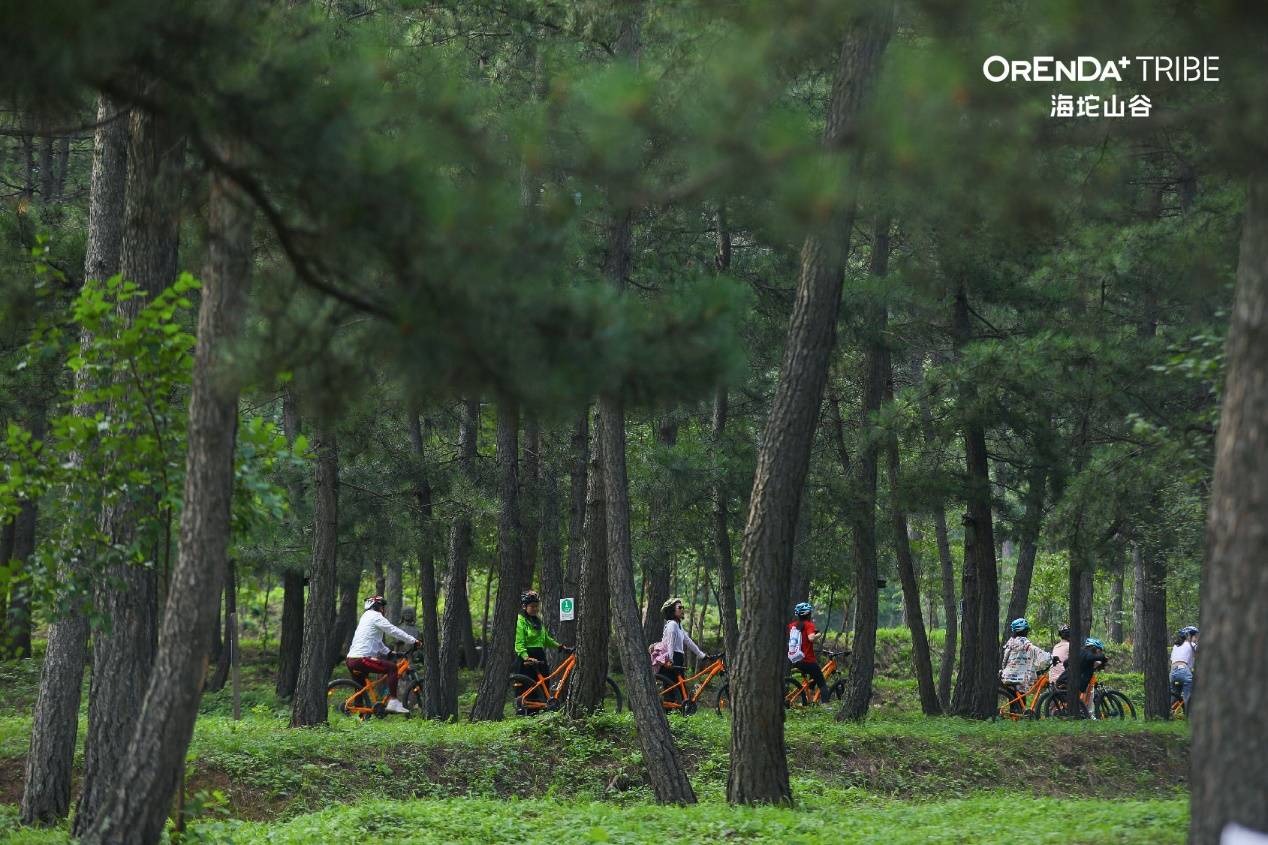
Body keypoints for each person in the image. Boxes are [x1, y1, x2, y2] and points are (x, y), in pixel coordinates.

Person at [345, 595, 418, 715]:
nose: (383, 609)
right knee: (392, 668)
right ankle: (393, 702)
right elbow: (393, 630)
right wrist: (413, 640)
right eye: (382, 606)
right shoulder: (375, 616)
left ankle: (360, 715)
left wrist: (389, 653)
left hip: (351, 659)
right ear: (377, 606)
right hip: (362, 659)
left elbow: (375, 641)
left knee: (360, 687)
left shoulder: (365, 617)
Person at [515, 590, 562, 701]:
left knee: (543, 682)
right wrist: (526, 657)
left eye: (537, 606)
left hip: (540, 655)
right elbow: (519, 642)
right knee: (528, 684)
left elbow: (545, 639)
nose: (535, 609)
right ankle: (526, 711)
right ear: (524, 606)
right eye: (532, 606)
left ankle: (540, 709)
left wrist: (559, 646)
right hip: (527, 657)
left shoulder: (537, 621)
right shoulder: (520, 621)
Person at [657, 597, 706, 703]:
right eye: (679, 607)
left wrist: (701, 655)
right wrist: (670, 659)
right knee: (672, 689)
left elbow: (688, 641)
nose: (682, 609)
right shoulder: (672, 625)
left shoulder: (679, 626)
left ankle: (682, 712)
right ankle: (670, 713)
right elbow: (670, 643)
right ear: (672, 610)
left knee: (680, 688)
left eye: (682, 607)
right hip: (673, 657)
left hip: (678, 657)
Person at [788, 602, 830, 703]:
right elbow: (811, 638)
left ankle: (809, 698)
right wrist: (818, 634)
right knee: (822, 684)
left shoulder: (792, 626)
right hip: (807, 660)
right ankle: (826, 706)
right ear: (808, 614)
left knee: (813, 676)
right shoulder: (808, 624)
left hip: (795, 659)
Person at [1000, 618, 1051, 697]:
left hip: (1007, 676)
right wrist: (1050, 657)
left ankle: (1016, 709)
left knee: (1015, 703)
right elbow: (1036, 650)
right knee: (1021, 702)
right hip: (1018, 678)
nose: (1027, 631)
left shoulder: (1010, 642)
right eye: (1027, 629)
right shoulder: (1023, 641)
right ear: (1023, 630)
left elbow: (1005, 660)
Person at [1170, 625, 1199, 711]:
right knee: (1188, 696)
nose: (1196, 639)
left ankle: (1170, 712)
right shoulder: (1192, 645)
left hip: (1172, 673)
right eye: (1195, 636)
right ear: (1189, 636)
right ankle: (1188, 714)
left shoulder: (1176, 646)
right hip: (1183, 671)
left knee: (1175, 695)